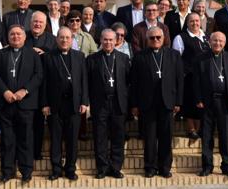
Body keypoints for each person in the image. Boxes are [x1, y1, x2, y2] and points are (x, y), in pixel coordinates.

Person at [0, 25, 43, 184]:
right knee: (7, 140)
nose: (15, 36)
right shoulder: (0, 54)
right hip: (6, 104)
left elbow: (38, 75)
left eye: (18, 34)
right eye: (12, 34)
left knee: (26, 139)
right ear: (8, 37)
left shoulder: (33, 54)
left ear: (24, 37)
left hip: (25, 104)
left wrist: (24, 91)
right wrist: (4, 91)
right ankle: (7, 171)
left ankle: (26, 171)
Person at [131, 26, 183, 178]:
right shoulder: (140, 56)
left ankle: (165, 167)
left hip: (167, 102)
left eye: (158, 37)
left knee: (166, 136)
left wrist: (178, 102)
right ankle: (150, 167)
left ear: (164, 38)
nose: (155, 40)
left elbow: (179, 80)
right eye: (152, 38)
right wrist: (134, 104)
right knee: (149, 137)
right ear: (147, 40)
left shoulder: (174, 55)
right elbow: (134, 82)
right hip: (147, 104)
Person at [41, 27, 89, 181]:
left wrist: (84, 102)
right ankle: (56, 169)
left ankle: (70, 169)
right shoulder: (48, 57)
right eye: (61, 37)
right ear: (57, 39)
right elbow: (44, 83)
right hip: (55, 105)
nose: (64, 40)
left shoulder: (80, 56)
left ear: (72, 40)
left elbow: (84, 81)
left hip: (74, 105)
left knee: (72, 139)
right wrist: (45, 104)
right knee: (55, 139)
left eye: (67, 38)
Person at [193, 32, 228, 178]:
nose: (217, 43)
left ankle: (226, 165)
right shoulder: (201, 58)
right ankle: (207, 166)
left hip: (225, 102)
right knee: (207, 135)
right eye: (215, 40)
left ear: (224, 43)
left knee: (225, 135)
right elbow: (196, 81)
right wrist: (198, 99)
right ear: (210, 41)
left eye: (220, 41)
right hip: (207, 102)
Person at [87, 29, 131, 179]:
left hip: (118, 103)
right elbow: (87, 83)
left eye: (111, 40)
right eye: (105, 40)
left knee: (118, 137)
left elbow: (129, 82)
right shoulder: (92, 59)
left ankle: (116, 167)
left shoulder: (124, 58)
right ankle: (102, 168)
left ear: (116, 41)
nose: (108, 42)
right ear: (100, 40)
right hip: (100, 103)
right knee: (100, 137)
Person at [172, 13, 210, 140]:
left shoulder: (207, 37)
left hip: (205, 77)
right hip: (188, 76)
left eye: (197, 21)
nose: (195, 23)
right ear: (187, 23)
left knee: (201, 103)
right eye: (191, 21)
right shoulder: (180, 38)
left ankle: (199, 129)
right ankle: (191, 128)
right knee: (190, 103)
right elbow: (176, 58)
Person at [25, 11, 57, 160]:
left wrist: (43, 53)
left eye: (41, 22)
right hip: (26, 88)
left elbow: (57, 60)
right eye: (35, 22)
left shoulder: (53, 40)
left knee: (40, 123)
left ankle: (37, 153)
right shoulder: (22, 37)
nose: (37, 24)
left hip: (46, 87)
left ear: (45, 24)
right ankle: (26, 153)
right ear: (30, 23)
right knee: (27, 124)